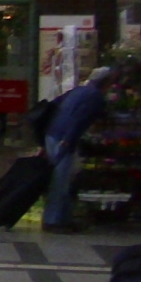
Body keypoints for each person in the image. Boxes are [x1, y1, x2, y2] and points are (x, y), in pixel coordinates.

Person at [41, 66, 114, 234]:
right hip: (63, 138)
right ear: (107, 83)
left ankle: (63, 218)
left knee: (61, 179)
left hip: (53, 133)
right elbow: (78, 120)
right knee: (61, 181)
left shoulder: (80, 90)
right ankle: (54, 220)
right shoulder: (95, 97)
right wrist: (68, 141)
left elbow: (55, 104)